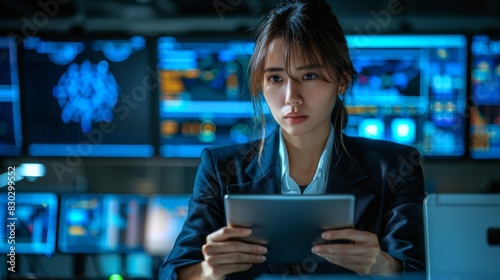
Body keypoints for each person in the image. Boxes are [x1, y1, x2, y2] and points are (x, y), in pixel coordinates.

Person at [159, 0, 425, 279]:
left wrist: (383, 266)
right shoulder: (220, 168)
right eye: (275, 78)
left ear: (342, 80)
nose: (291, 98)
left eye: (309, 75)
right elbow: (172, 271)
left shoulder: (395, 168)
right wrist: (206, 271)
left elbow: (424, 270)